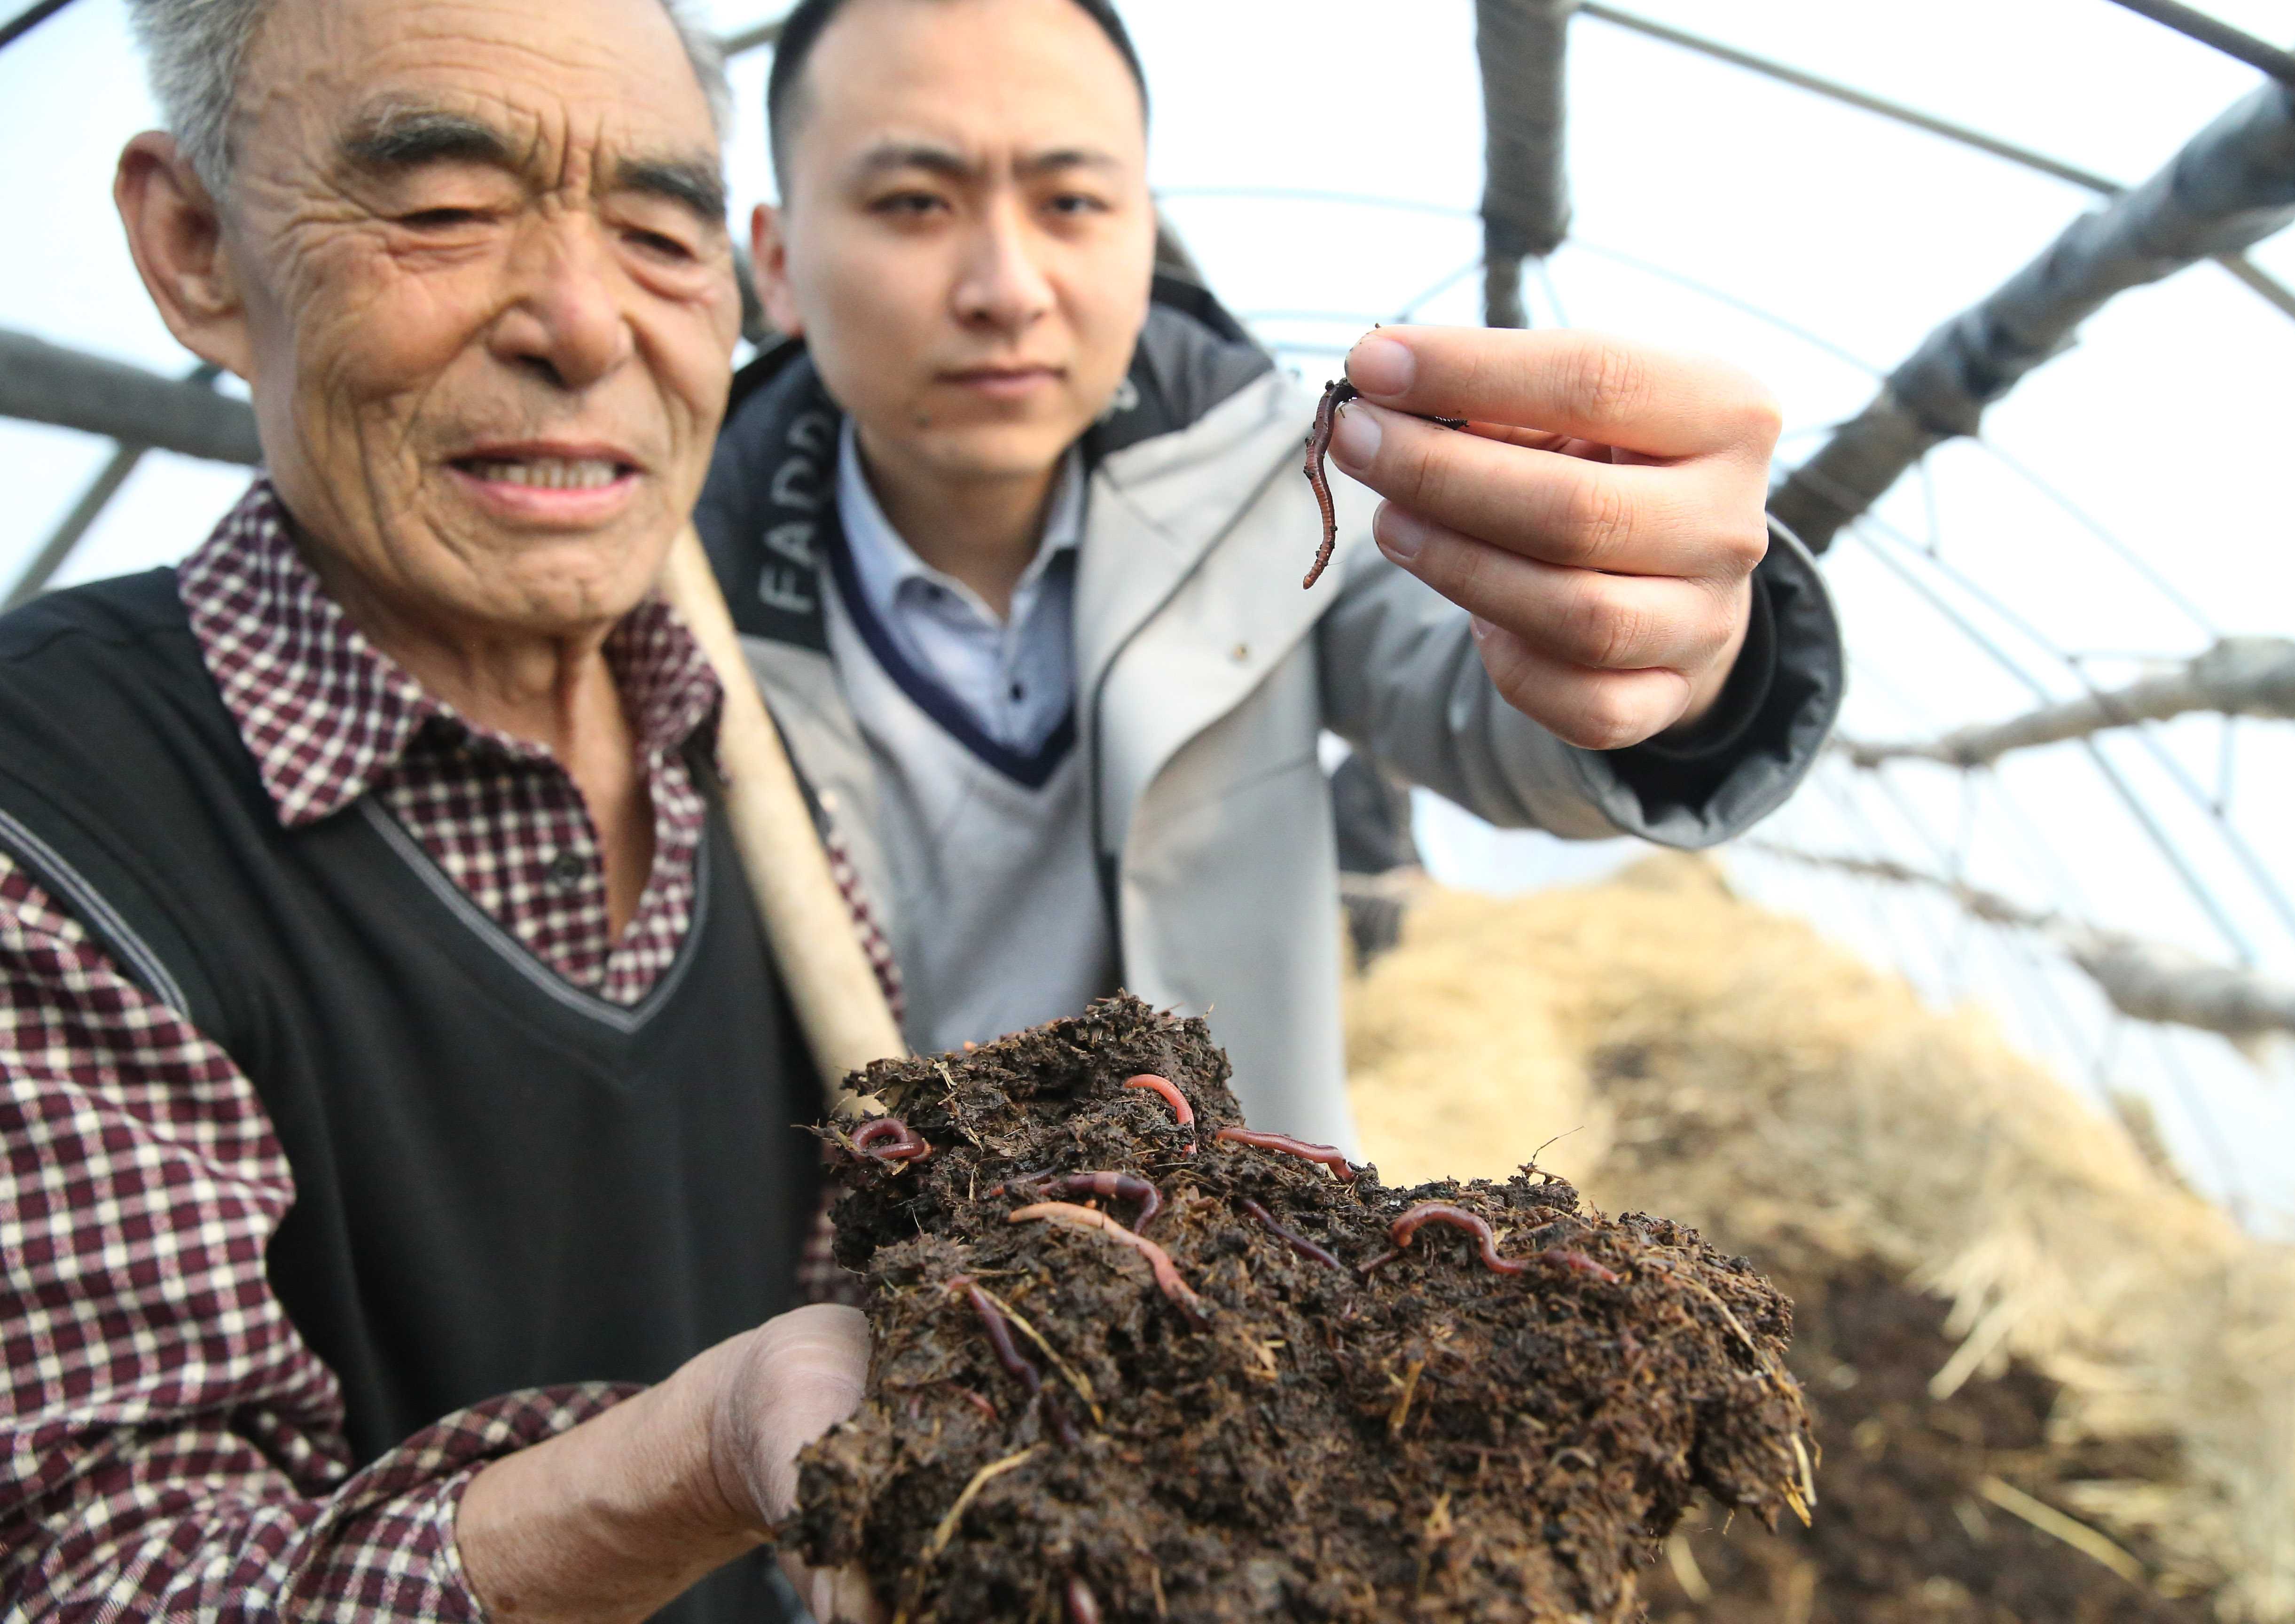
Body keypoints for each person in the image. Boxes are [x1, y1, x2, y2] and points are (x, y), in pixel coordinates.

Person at [0, 1, 874, 1619]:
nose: (583, 323)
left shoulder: (754, 773)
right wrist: (695, 1456)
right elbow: (110, 1580)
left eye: (662, 233)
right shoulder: (49, 828)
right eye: (445, 212)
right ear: (196, 242)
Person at [705, 0, 1843, 1148]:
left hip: (1243, 1267)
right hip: (827, 1298)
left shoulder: (1265, 489)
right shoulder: (670, 598)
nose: (1007, 286)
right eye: (914, 203)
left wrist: (1690, 660)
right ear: (780, 262)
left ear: (1143, 235)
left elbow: (1484, 703)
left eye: (1071, 203)